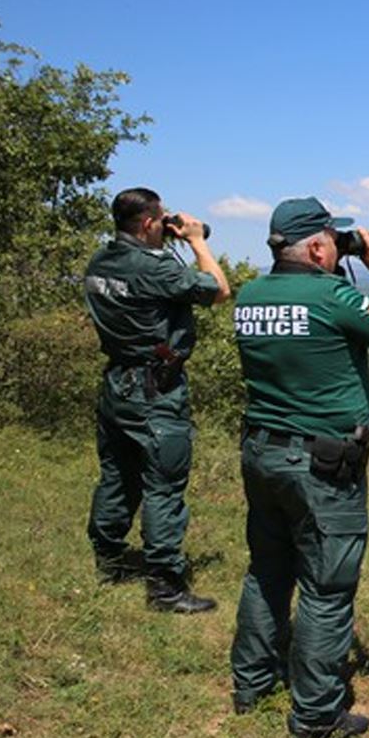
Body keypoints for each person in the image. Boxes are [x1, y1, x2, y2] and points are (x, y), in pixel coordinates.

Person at [229, 196, 369, 738]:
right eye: (334, 241)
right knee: (326, 587)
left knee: (267, 570)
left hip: (263, 453)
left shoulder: (250, 294)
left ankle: (252, 684)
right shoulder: (331, 296)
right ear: (317, 248)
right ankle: (316, 714)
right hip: (321, 464)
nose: (340, 248)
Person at [83, 187, 230, 613]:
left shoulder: (101, 260)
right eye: (161, 218)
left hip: (117, 382)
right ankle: (165, 587)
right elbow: (219, 290)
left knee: (117, 474)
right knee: (163, 483)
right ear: (148, 223)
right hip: (155, 389)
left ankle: (109, 562)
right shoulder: (156, 268)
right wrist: (197, 241)